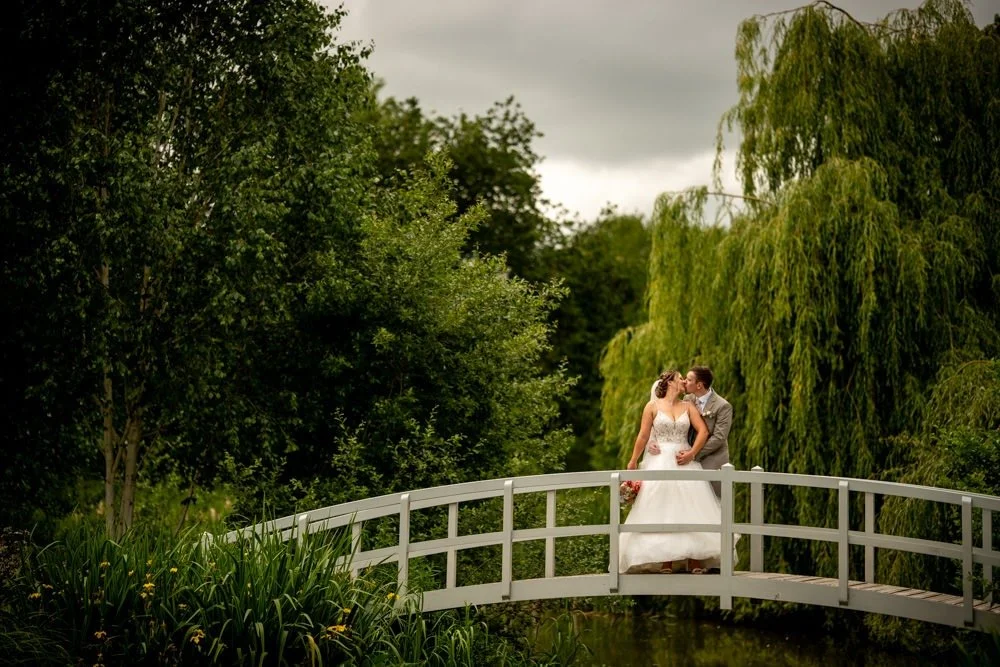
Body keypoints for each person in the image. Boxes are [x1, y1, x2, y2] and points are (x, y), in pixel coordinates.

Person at [618, 370, 728, 574]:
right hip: (660, 462)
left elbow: (703, 431)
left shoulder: (688, 405)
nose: (683, 382)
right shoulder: (651, 407)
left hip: (683, 459)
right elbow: (643, 435)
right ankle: (665, 559)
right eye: (679, 379)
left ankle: (695, 559)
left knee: (690, 507)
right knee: (662, 507)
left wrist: (692, 453)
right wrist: (633, 459)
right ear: (669, 383)